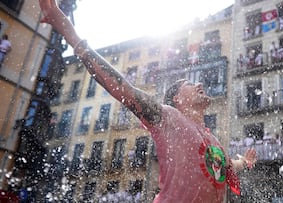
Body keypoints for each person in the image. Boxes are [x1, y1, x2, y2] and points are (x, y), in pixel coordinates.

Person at [38, 1, 257, 202]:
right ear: (177, 98)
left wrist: (244, 163)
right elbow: (124, 88)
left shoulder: (214, 141)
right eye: (189, 84)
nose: (200, 85)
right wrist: (68, 31)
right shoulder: (168, 117)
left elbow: (229, 165)